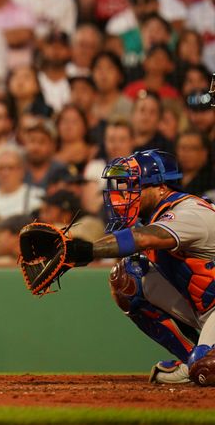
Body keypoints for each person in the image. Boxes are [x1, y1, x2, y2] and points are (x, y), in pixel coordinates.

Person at [57, 150, 215, 385]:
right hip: (205, 308)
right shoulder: (154, 216)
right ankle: (190, 359)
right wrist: (71, 255)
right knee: (127, 278)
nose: (123, 195)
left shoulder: (190, 212)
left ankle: (198, 362)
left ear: (161, 187)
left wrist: (86, 250)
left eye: (133, 186)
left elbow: (144, 238)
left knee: (206, 369)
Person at [0, 146, 45, 219]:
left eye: (10, 168)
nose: (5, 173)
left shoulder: (36, 196)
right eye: (1, 168)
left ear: (21, 171)